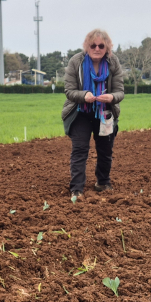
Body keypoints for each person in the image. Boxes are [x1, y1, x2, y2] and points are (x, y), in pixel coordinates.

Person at [62, 29, 124, 196]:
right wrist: (84, 95)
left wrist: (111, 97)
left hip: (105, 112)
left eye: (101, 45)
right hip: (80, 111)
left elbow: (120, 92)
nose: (97, 48)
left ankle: (103, 183)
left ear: (107, 47)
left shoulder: (113, 62)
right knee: (80, 149)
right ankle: (76, 189)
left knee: (105, 149)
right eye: (93, 45)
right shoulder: (76, 61)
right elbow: (69, 91)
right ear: (86, 46)